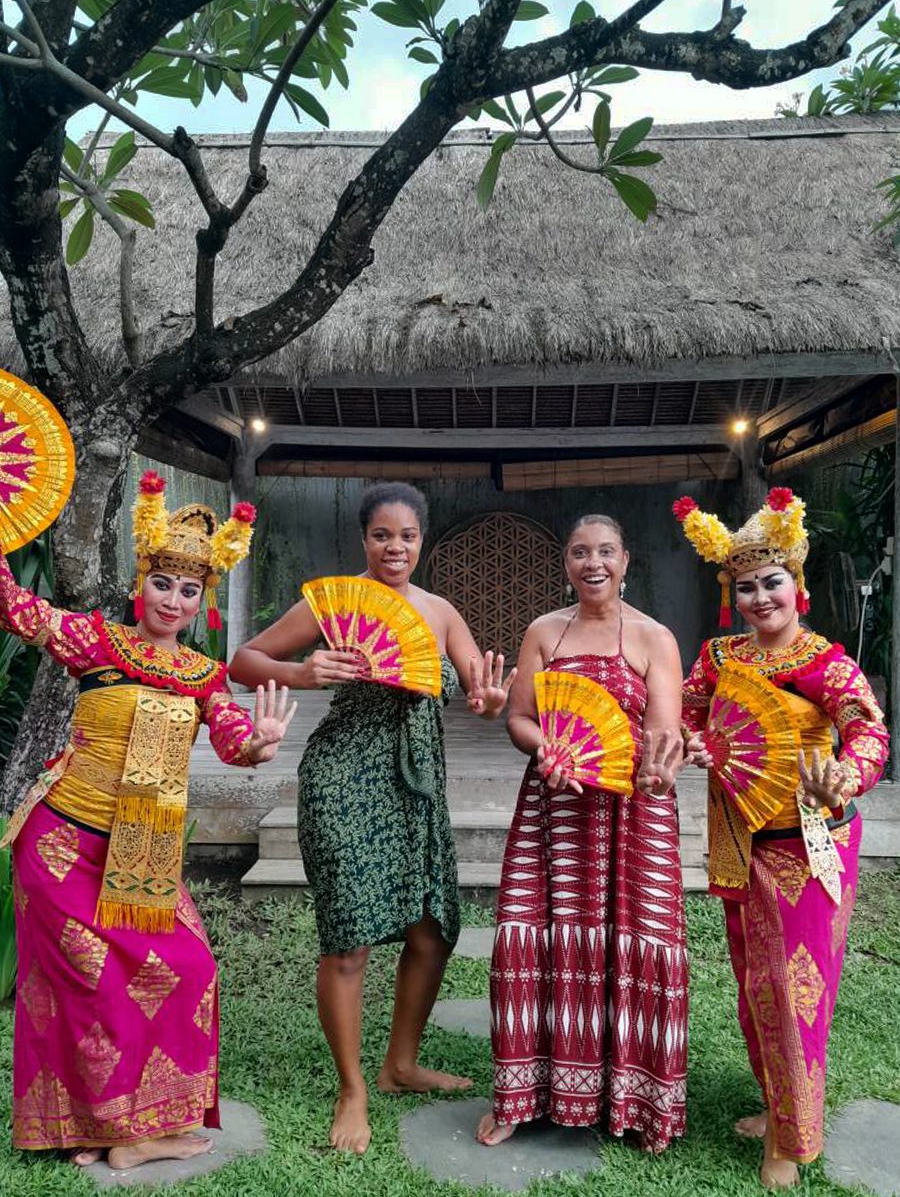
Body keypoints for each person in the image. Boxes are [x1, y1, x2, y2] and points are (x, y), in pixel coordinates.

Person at [2, 471, 295, 1171]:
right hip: (62, 842)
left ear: (203, 601)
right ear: (145, 581)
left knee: (189, 969)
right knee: (89, 985)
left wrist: (259, 743)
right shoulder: (96, 641)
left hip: (145, 853)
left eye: (189, 591)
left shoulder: (202, 674)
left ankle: (141, 1121)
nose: (174, 600)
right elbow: (19, 609)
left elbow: (231, 739)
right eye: (164, 583)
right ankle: (117, 1135)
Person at [229, 481, 515, 1156]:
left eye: (407, 536)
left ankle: (401, 1064)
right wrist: (305, 673)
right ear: (365, 539)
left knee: (432, 929)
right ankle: (353, 1087)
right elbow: (244, 661)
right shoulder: (332, 603)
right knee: (350, 938)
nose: (396, 547)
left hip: (416, 784)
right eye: (383, 535)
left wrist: (489, 700)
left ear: (422, 541)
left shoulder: (440, 612)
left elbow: (481, 688)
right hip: (343, 777)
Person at [675, 487, 888, 1189]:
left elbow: (869, 732)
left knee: (797, 990)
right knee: (752, 987)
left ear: (795, 587)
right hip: (743, 839)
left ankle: (790, 1144)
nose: (760, 597)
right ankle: (778, 1106)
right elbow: (682, 713)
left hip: (810, 836)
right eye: (746, 587)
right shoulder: (721, 656)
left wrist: (845, 778)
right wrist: (696, 742)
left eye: (772, 582)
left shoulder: (825, 662)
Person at [475, 513, 687, 1153]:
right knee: (535, 933)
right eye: (578, 552)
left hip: (633, 813)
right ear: (565, 564)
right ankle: (521, 1094)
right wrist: (547, 749)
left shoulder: (655, 638)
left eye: (605, 552)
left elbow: (663, 733)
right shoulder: (545, 632)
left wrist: (656, 769)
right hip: (554, 813)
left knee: (634, 943)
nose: (593, 563)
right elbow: (519, 718)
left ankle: (633, 1100)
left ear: (626, 560)